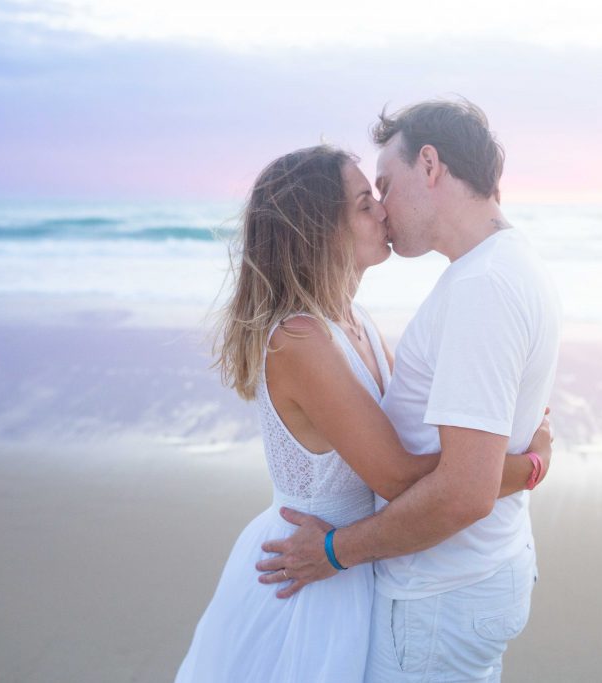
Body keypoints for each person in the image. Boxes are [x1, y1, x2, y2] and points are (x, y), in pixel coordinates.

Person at [173, 145, 552, 682]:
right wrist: (527, 462)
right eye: (363, 203)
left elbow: (416, 432)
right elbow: (398, 475)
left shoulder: (358, 322)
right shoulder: (300, 340)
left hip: (350, 561)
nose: (382, 210)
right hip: (307, 573)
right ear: (321, 230)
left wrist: (496, 409)